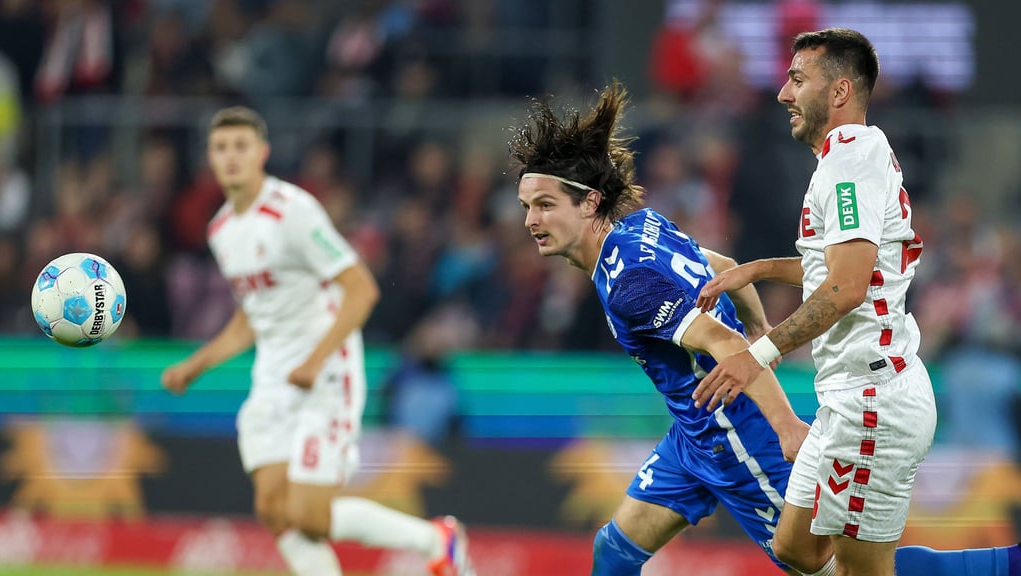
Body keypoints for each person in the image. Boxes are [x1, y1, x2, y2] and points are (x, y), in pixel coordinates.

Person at [509, 79, 1021, 576]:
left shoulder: (628, 283)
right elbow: (723, 265)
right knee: (614, 550)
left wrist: (783, 423)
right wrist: (759, 324)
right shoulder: (641, 226)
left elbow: (723, 341)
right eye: (527, 206)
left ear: (590, 202)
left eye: (546, 205)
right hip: (693, 436)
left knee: (844, 571)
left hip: (736, 436)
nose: (531, 220)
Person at [694, 28, 1021, 576]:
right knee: (796, 550)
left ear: (840, 91)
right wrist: (758, 269)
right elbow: (843, 270)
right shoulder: (847, 159)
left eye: (797, 79)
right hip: (848, 397)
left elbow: (845, 289)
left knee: (863, 571)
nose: (782, 93)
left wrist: (758, 354)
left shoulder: (852, 157)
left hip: (874, 400)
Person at [161, 106, 474, 576]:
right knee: (273, 508)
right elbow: (253, 316)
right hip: (273, 375)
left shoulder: (291, 211)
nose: (231, 157)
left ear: (262, 153)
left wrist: (315, 359)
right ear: (209, 155)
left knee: (309, 515)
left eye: (241, 146)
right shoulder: (222, 229)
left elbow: (361, 288)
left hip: (324, 372)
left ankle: (436, 540)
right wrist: (196, 365)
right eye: (221, 147)